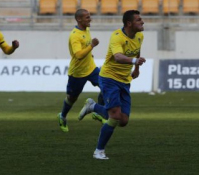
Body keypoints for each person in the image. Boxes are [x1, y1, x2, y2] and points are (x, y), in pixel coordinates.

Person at [78, 10, 146, 160]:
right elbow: (118, 56)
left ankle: (93, 106)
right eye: (139, 20)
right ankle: (99, 151)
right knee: (114, 116)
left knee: (123, 121)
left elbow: (137, 50)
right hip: (109, 78)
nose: (142, 22)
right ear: (129, 23)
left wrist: (136, 68)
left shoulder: (140, 35)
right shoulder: (117, 37)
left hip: (125, 80)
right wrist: (134, 62)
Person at [58, 9, 105, 132]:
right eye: (87, 17)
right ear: (79, 19)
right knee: (71, 98)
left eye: (90, 16)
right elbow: (78, 55)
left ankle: (98, 111)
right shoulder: (75, 35)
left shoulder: (87, 29)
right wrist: (92, 46)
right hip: (77, 73)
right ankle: (62, 116)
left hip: (91, 68)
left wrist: (90, 53)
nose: (90, 19)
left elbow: (84, 48)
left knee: (107, 85)